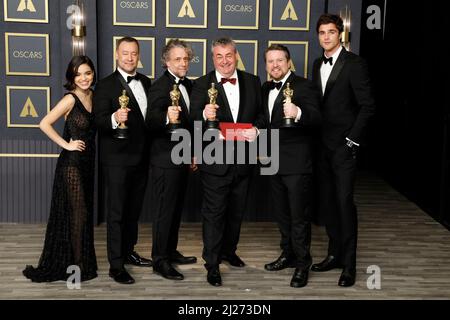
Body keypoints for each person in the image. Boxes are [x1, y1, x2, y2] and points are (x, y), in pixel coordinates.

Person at [190, 37, 265, 286]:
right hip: (215, 161)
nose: (224, 61)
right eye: (219, 56)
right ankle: (212, 264)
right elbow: (192, 118)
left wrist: (256, 130)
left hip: (243, 159)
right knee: (214, 214)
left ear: (236, 55)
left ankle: (228, 251)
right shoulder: (201, 84)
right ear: (213, 59)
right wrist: (203, 114)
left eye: (229, 55)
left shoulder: (253, 81)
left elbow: (263, 115)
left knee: (236, 212)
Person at [311, 14, 376, 287]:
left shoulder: (355, 64)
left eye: (331, 32)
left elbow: (368, 105)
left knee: (344, 205)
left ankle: (349, 265)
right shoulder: (316, 64)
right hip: (321, 148)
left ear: (341, 34)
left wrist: (352, 141)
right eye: (322, 32)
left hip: (343, 148)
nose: (326, 36)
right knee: (328, 205)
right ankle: (334, 254)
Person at [23, 56, 98, 282]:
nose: (84, 78)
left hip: (88, 163)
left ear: (93, 73)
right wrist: (67, 144)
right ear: (71, 78)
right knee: (79, 213)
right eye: (78, 74)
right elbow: (44, 123)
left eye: (87, 73)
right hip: (71, 164)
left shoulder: (94, 96)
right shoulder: (70, 99)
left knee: (82, 215)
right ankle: (77, 265)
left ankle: (79, 261)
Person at [93, 36, 152, 284]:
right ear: (117, 55)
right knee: (116, 213)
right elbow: (98, 121)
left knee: (133, 211)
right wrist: (115, 118)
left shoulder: (147, 82)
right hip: (116, 159)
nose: (129, 57)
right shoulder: (105, 85)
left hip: (142, 157)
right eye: (125, 53)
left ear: (139, 55)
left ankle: (128, 252)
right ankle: (116, 265)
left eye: (134, 53)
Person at [261, 44, 321, 288]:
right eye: (270, 61)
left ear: (288, 63)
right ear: (266, 65)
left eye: (279, 60)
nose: (275, 65)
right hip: (272, 160)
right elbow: (263, 121)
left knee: (299, 217)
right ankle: (287, 254)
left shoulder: (304, 86)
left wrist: (298, 112)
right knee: (282, 215)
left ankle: (302, 264)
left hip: (296, 163)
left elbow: (318, 119)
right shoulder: (265, 88)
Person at [146, 39, 198, 281]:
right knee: (164, 212)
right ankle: (160, 260)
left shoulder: (189, 85)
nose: (183, 63)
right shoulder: (159, 86)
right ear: (166, 61)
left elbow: (189, 124)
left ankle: (170, 250)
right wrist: (166, 116)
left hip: (182, 157)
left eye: (186, 58)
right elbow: (150, 121)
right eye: (178, 59)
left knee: (175, 209)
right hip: (165, 160)